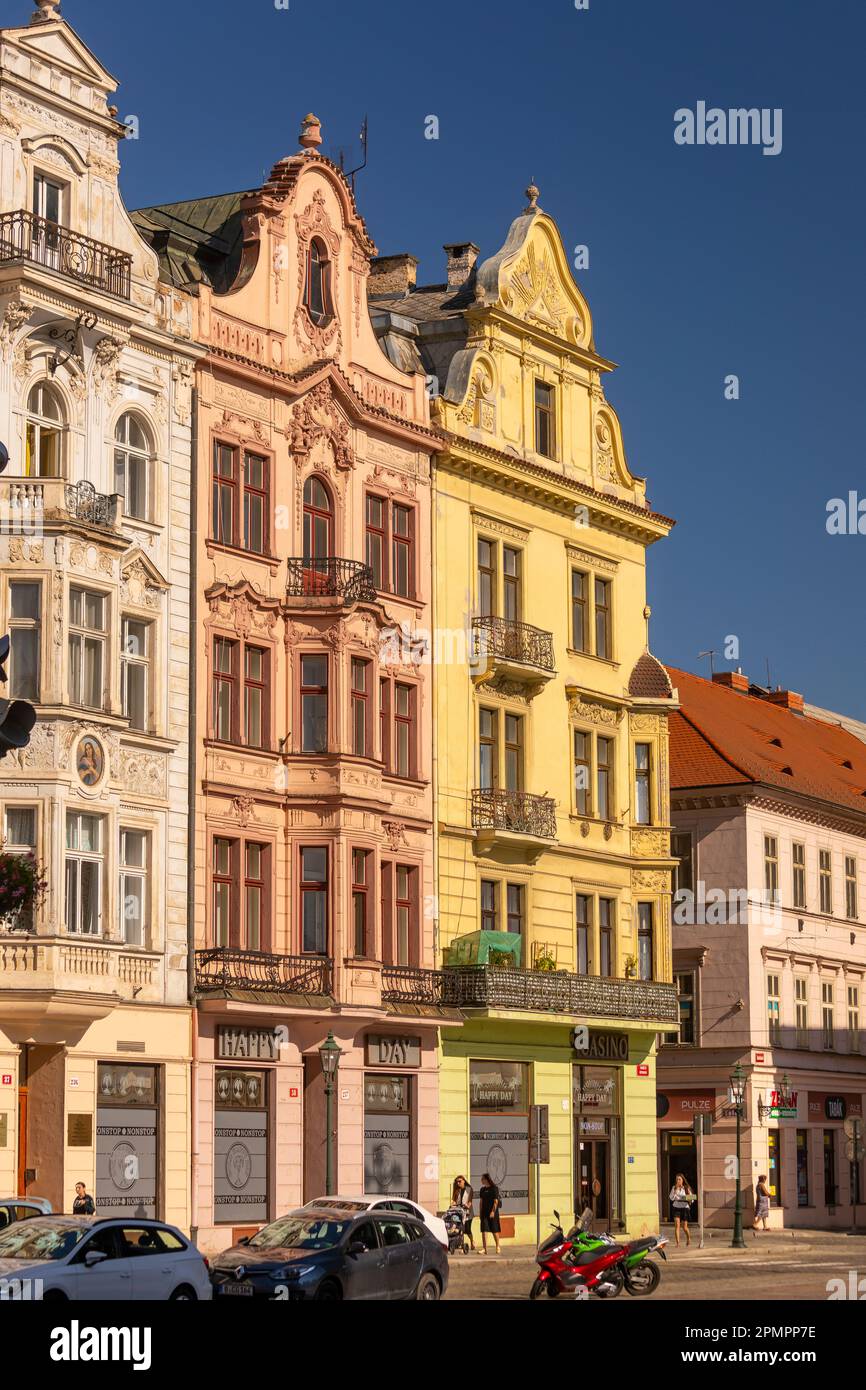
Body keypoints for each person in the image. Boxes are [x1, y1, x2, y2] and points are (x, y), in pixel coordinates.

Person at [669, 1173, 695, 1247]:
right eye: (677, 1179)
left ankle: (688, 1238)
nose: (678, 1181)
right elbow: (671, 1198)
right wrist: (675, 1190)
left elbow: (692, 1199)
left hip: (684, 1208)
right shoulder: (674, 1187)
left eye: (679, 1179)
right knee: (677, 1225)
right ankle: (677, 1243)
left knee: (684, 1227)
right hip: (676, 1207)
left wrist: (687, 1198)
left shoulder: (687, 1188)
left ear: (682, 1180)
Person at [479, 1172, 502, 1254]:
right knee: (484, 1230)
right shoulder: (482, 1190)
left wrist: (492, 1212)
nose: (481, 1180)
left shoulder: (494, 1188)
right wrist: (480, 1212)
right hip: (484, 1213)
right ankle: (484, 1248)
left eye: (482, 1179)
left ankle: (498, 1246)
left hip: (493, 1213)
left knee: (494, 1230)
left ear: (486, 1179)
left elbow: (495, 1201)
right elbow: (481, 1202)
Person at [452, 1175, 475, 1252]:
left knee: (467, 1229)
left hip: (468, 1212)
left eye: (460, 1181)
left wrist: (468, 1205)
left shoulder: (469, 1189)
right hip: (459, 1212)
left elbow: (470, 1201)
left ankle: (472, 1241)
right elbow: (454, 1200)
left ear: (464, 1181)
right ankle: (462, 1246)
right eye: (457, 1182)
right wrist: (453, 1204)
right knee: (461, 1229)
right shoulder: (456, 1190)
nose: (458, 1183)